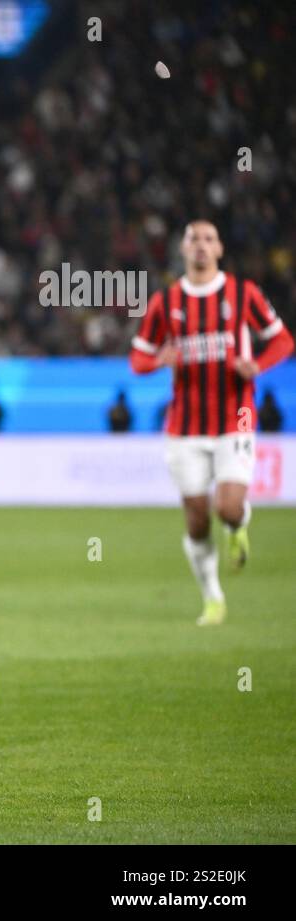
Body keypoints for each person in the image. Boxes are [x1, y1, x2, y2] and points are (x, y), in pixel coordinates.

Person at [130, 219, 293, 626]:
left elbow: (283, 340)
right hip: (184, 425)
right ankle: (213, 597)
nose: (200, 245)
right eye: (192, 239)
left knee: (228, 506)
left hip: (235, 416)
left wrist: (257, 364)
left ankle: (239, 523)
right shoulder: (165, 303)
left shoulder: (243, 293)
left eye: (208, 239)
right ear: (183, 250)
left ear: (219, 249)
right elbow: (137, 359)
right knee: (197, 517)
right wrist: (158, 361)